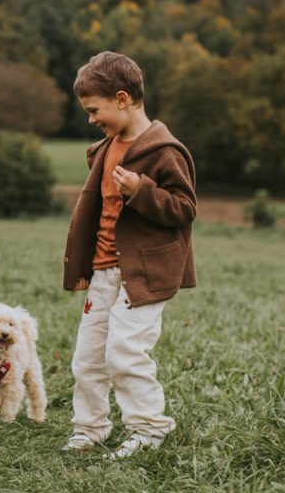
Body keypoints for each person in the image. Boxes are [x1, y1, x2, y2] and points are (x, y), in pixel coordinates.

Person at [61, 51, 197, 459]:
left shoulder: (163, 151)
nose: (90, 120)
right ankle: (91, 428)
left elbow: (184, 209)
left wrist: (142, 191)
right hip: (104, 273)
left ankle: (149, 429)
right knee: (87, 358)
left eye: (94, 110)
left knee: (124, 352)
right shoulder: (105, 149)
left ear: (122, 99)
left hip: (145, 273)